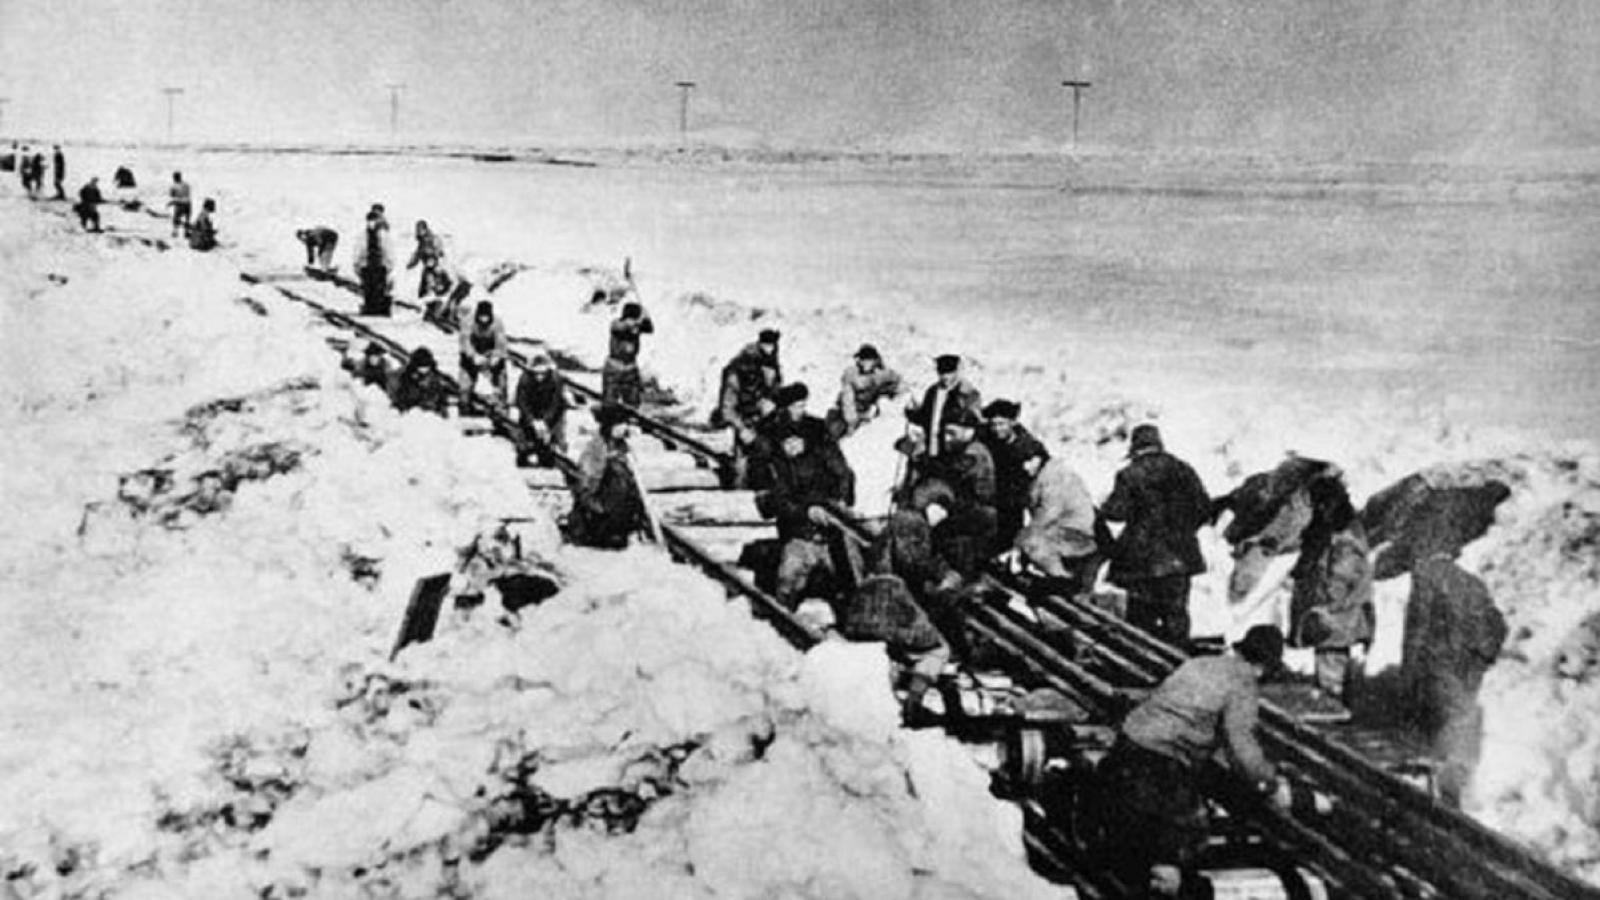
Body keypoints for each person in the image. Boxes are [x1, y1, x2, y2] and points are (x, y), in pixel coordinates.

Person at [1095, 624, 1288, 898]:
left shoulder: (1199, 663)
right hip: (1161, 762)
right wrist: (1267, 784)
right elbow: (1240, 748)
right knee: (1180, 837)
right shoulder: (1243, 682)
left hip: (1127, 745)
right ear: (1265, 667)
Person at [1392, 527, 1507, 807]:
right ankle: (1460, 798)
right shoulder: (1470, 581)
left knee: (1436, 739)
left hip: (1437, 670)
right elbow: (1495, 626)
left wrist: (1407, 681)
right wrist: (1478, 661)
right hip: (1466, 671)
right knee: (1457, 734)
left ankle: (1442, 806)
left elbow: (1416, 637)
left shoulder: (1426, 579)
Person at [1100, 424, 1211, 647]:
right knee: (1176, 616)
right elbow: (1204, 508)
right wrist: (1183, 531)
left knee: (1141, 621)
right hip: (1180, 557)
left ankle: (1143, 669)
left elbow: (1116, 513)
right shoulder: (1184, 470)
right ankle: (1178, 665)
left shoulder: (1129, 474)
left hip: (1141, 561)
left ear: (1135, 447)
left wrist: (1104, 505)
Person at [752, 383, 857, 609]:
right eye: (796, 406)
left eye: (803, 405)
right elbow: (773, 500)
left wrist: (841, 500)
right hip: (798, 532)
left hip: (830, 532)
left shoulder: (818, 434)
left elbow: (844, 473)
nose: (794, 446)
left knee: (851, 582)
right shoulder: (770, 444)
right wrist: (806, 512)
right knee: (789, 580)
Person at [907, 408, 997, 578]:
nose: (947, 438)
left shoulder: (975, 453)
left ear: (968, 432)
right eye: (946, 433)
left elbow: (952, 473)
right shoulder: (966, 450)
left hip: (979, 514)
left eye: (952, 433)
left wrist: (922, 460)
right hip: (971, 510)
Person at [565, 403, 651, 550]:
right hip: (599, 518)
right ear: (610, 426)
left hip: (616, 512)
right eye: (621, 424)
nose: (625, 428)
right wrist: (601, 511)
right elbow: (586, 486)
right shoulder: (596, 448)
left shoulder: (621, 446)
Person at [1016, 457, 1102, 599]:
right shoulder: (1045, 475)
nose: (1025, 467)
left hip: (1080, 533)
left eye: (1029, 461)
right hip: (1075, 529)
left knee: (1034, 543)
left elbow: (1048, 513)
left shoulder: (1052, 478)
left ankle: (1061, 580)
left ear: (1038, 459)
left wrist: (1021, 540)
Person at [714, 328, 784, 487]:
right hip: (745, 424)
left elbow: (777, 393)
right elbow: (727, 408)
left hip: (767, 425)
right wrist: (741, 429)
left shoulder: (773, 364)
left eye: (772, 346)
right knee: (742, 472)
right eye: (767, 345)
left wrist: (773, 405)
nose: (770, 350)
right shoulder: (739, 369)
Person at [979, 399, 1049, 551]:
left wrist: (1037, 460)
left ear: (1012, 423)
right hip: (993, 493)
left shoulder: (1024, 444)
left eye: (1001, 424)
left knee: (1010, 534)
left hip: (1013, 497)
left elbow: (1041, 454)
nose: (997, 429)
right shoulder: (988, 436)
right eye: (993, 424)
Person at [903, 354, 982, 463]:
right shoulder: (932, 391)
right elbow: (925, 418)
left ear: (956, 372)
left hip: (956, 451)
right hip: (932, 448)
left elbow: (974, 421)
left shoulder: (967, 393)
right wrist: (911, 412)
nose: (945, 377)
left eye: (949, 373)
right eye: (941, 373)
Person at [828, 343, 904, 438]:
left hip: (868, 411)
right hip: (844, 413)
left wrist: (888, 396)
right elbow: (848, 401)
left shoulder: (880, 374)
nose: (865, 363)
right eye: (862, 360)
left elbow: (897, 381)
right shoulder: (851, 374)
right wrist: (852, 422)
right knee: (834, 432)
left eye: (869, 360)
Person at [513, 353, 572, 467]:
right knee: (523, 447)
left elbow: (555, 403)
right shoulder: (525, 379)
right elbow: (522, 403)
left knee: (549, 448)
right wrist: (532, 421)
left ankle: (554, 448)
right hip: (532, 410)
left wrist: (545, 422)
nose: (539, 377)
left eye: (543, 373)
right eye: (536, 373)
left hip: (552, 412)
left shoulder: (556, 380)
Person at [458, 300, 509, 411]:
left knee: (501, 378)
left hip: (490, 352)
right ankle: (465, 404)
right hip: (471, 354)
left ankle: (501, 405)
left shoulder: (498, 322)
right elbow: (465, 341)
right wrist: (473, 355)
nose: (484, 320)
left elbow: (501, 343)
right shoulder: (467, 321)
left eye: (486, 317)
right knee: (465, 385)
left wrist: (496, 356)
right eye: (481, 317)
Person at [602, 301, 654, 408]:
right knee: (609, 402)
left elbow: (650, 329)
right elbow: (622, 327)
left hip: (630, 369)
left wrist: (646, 317)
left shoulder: (636, 327)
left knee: (633, 403)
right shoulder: (616, 324)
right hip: (614, 368)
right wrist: (637, 322)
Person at [353, 208, 395, 316]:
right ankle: (369, 307)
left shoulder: (383, 235)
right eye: (370, 221)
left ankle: (379, 308)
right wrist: (357, 264)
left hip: (380, 266)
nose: (372, 223)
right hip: (366, 266)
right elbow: (358, 250)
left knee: (379, 289)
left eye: (374, 220)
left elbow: (388, 250)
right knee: (368, 289)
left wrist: (389, 265)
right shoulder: (363, 235)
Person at [389, 347, 450, 416]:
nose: (424, 369)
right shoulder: (406, 378)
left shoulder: (436, 376)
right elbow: (401, 397)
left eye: (427, 366)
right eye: (421, 367)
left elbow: (449, 387)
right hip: (413, 414)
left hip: (435, 413)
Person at [406, 219, 447, 301]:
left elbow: (440, 252)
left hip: (435, 268)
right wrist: (411, 264)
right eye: (417, 230)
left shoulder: (432, 239)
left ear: (424, 229)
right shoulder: (422, 241)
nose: (417, 231)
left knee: (432, 288)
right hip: (428, 268)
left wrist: (436, 260)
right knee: (424, 290)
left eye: (419, 230)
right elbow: (418, 254)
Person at [167, 172, 192, 238]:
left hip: (179, 204)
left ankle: (175, 232)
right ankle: (186, 232)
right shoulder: (186, 184)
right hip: (188, 203)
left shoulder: (174, 186)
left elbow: (172, 195)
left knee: (176, 218)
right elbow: (188, 194)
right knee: (187, 219)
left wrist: (171, 202)